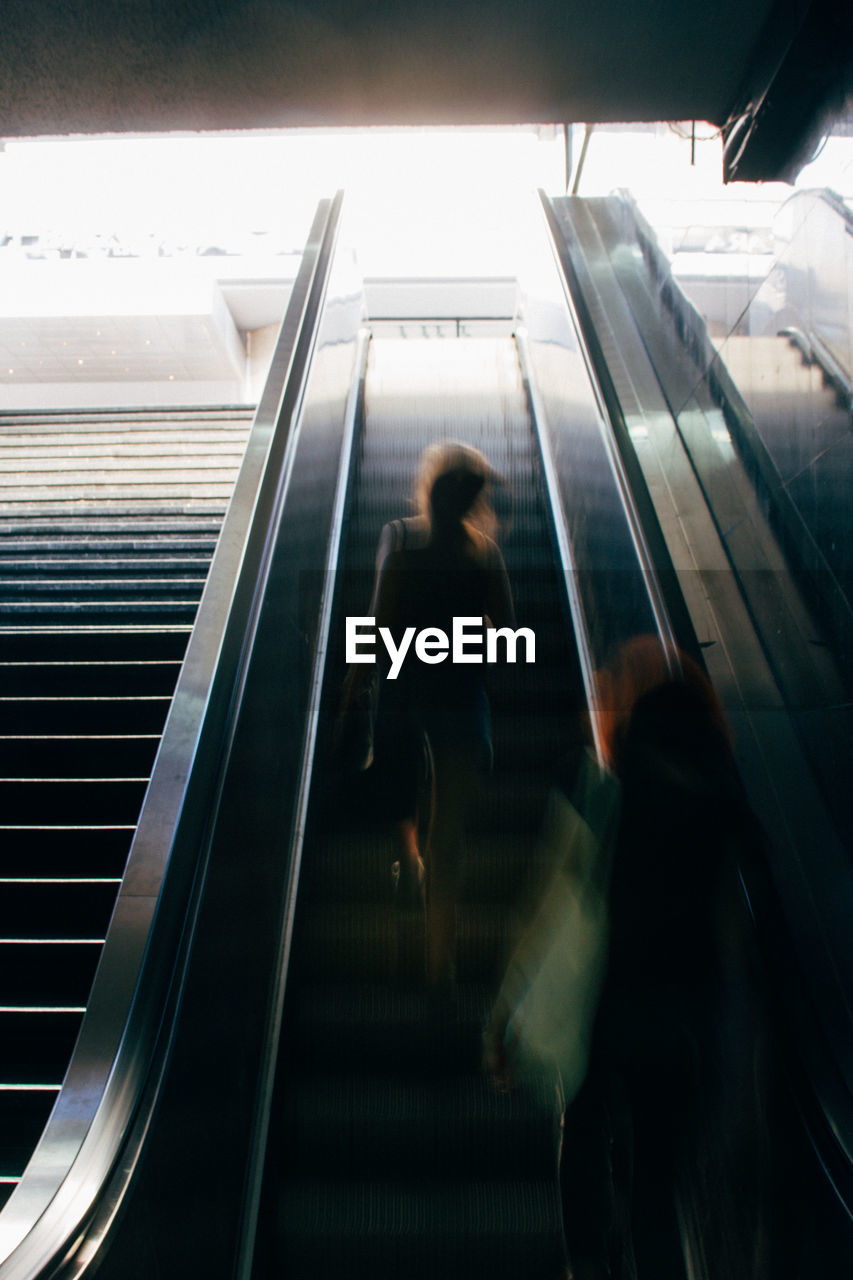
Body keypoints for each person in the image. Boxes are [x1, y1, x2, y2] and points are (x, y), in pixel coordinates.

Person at [347, 440, 515, 993]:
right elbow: (508, 635)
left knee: (407, 800)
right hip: (460, 701)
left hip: (405, 694)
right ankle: (439, 962)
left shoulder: (401, 542)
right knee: (453, 834)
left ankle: (410, 864)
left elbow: (375, 628)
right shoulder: (484, 553)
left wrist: (354, 692)